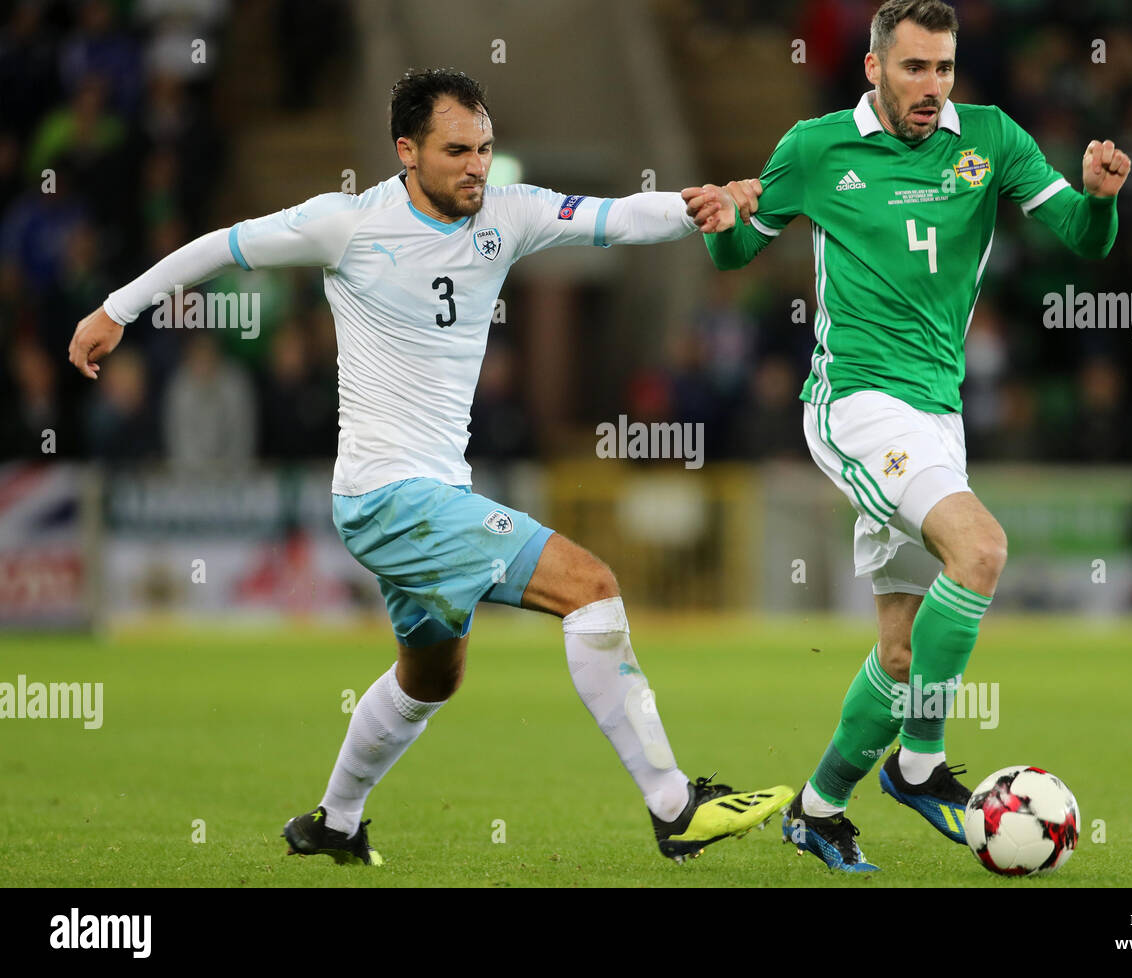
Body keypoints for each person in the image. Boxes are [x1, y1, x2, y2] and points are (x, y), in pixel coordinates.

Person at [68, 68, 792, 866]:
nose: (477, 165)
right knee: (590, 585)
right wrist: (115, 310)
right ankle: (674, 805)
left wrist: (700, 206)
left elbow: (618, 219)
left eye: (485, 147)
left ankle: (335, 822)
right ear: (407, 151)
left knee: (431, 677)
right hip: (386, 494)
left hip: (435, 494)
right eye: (457, 150)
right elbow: (221, 246)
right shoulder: (346, 224)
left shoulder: (508, 214)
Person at [684, 0, 1128, 872]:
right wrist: (725, 225)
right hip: (853, 403)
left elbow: (1081, 236)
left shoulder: (991, 139)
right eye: (915, 68)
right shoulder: (815, 149)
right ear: (874, 69)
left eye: (945, 68)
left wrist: (1103, 201)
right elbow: (736, 259)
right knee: (983, 551)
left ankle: (818, 806)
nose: (933, 87)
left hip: (937, 413)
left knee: (899, 651)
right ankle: (920, 765)